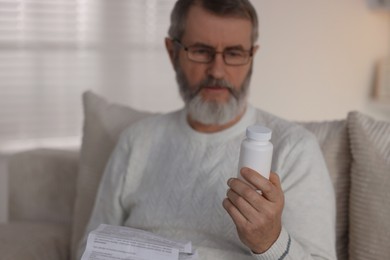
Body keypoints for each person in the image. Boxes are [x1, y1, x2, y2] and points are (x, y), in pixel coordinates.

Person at [78, 0, 336, 259]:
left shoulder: (294, 148)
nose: (217, 70)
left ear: (251, 57)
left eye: (234, 53)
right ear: (172, 52)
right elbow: (90, 246)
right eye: (201, 51)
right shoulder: (136, 140)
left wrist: (270, 241)